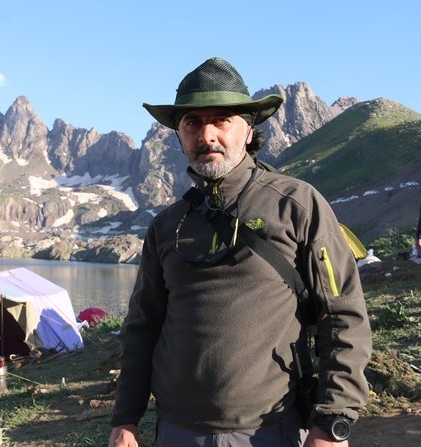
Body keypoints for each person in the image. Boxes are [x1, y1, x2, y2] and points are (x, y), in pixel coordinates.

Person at [109, 57, 372, 447]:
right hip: (176, 431)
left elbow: (344, 314)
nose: (206, 134)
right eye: (192, 122)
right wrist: (125, 419)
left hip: (271, 429)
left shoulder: (296, 205)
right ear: (180, 135)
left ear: (248, 130)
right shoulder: (165, 226)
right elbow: (142, 328)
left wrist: (334, 419)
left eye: (222, 120)